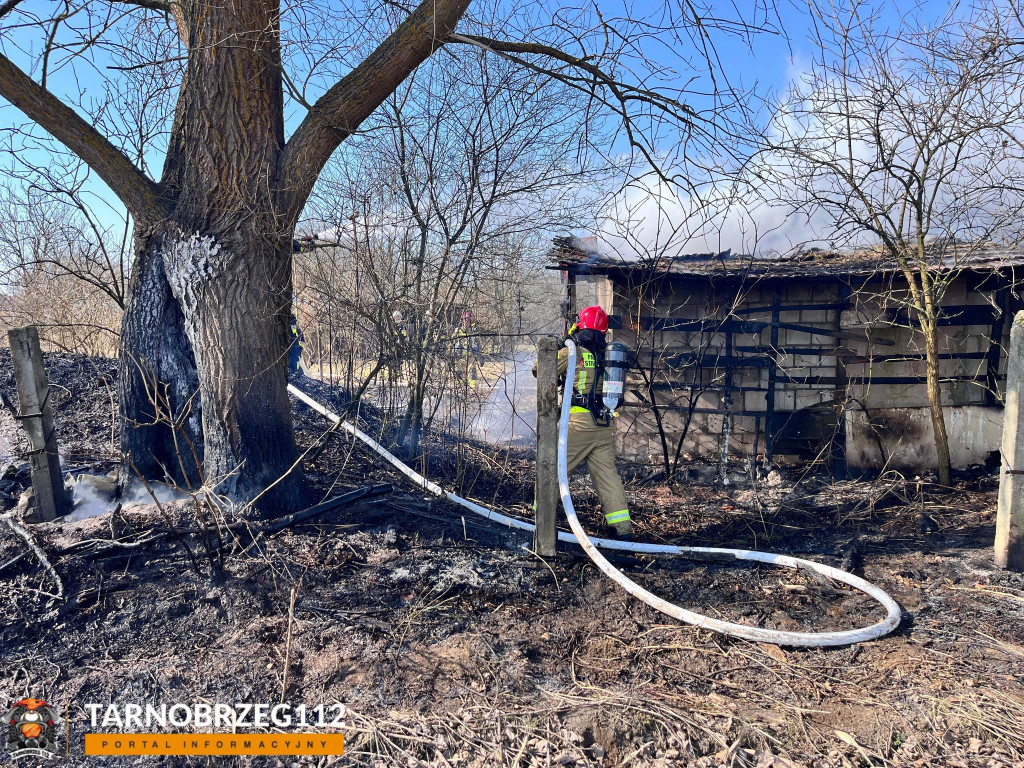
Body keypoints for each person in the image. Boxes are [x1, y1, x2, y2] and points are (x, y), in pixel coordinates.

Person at [535, 305, 633, 537]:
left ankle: (539, 520)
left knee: (553, 470)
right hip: (604, 424)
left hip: (577, 424)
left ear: (580, 324)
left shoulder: (574, 351)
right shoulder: (607, 354)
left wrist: (562, 342)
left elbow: (539, 369)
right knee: (608, 477)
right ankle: (623, 530)